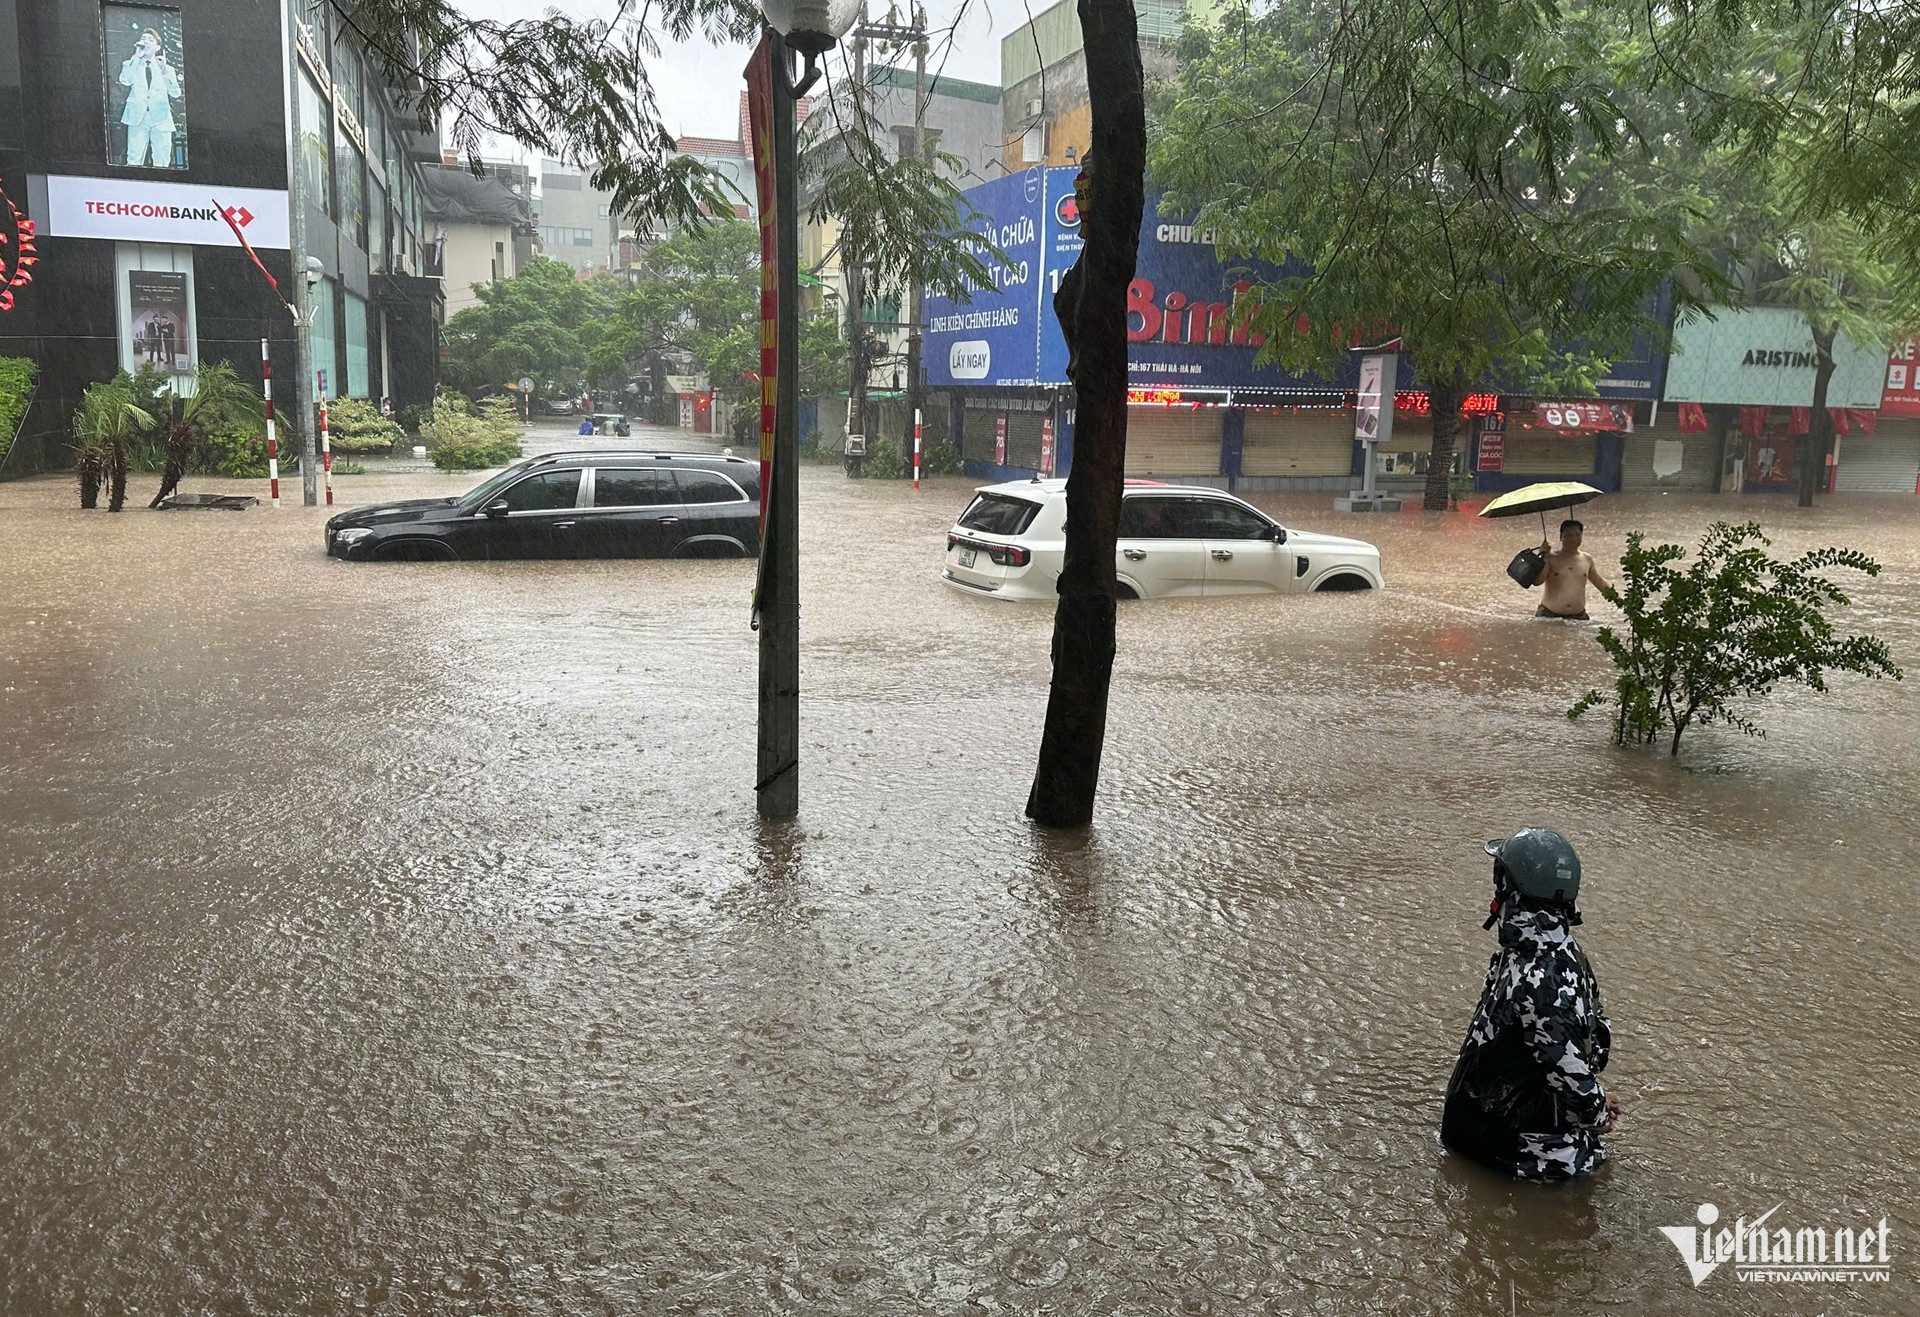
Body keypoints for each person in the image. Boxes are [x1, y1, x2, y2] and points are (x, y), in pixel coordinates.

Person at [1442, 828, 1618, 1181]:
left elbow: (1572, 1074)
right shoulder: (1550, 951)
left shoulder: (1539, 973)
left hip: (1520, 1157)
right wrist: (1595, 1101)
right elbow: (1583, 1050)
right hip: (1502, 1140)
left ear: (1510, 886)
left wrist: (1596, 1109)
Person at [118, 29, 183, 168]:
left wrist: (164, 72)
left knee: (162, 161)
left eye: (150, 39)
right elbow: (125, 80)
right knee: (134, 159)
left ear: (157, 47)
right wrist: (136, 57)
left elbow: (176, 93)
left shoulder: (167, 69)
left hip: (161, 118)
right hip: (137, 118)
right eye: (143, 38)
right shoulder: (130, 64)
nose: (146, 41)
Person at [1534, 519, 1609, 619]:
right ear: (1561, 537)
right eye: (1568, 535)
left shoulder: (1587, 559)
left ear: (1582, 536)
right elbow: (1537, 581)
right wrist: (1542, 557)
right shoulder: (1550, 558)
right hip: (1549, 615)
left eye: (1577, 535)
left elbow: (1599, 582)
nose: (1573, 539)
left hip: (1579, 616)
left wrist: (1618, 600)